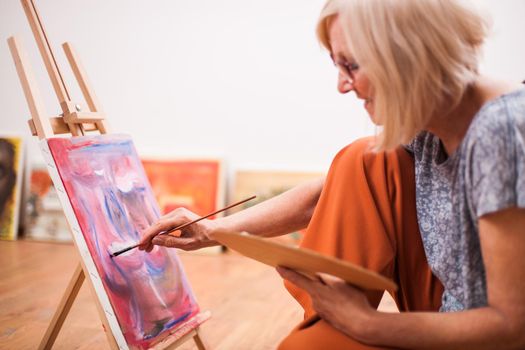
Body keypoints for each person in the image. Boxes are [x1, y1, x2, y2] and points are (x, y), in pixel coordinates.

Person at [139, 0, 525, 348]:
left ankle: (335, 328)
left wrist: (367, 324)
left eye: (351, 65)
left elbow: (512, 327)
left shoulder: (500, 131)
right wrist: (212, 231)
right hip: (447, 309)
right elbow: (327, 195)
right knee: (365, 158)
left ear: (409, 57)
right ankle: (329, 324)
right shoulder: (428, 119)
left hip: (488, 337)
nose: (342, 86)